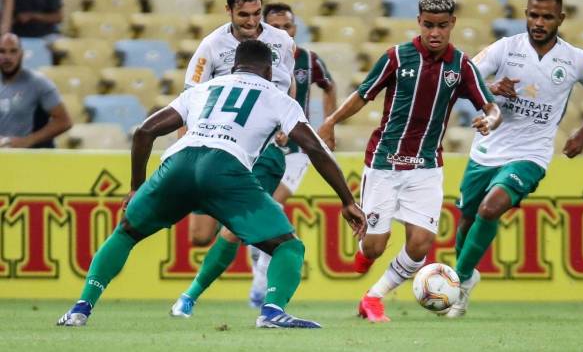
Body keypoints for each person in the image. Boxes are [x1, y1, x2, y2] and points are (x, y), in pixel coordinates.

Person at [56, 40, 367, 329]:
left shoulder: (203, 89)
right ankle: (272, 311)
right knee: (288, 246)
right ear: (269, 71)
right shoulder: (278, 98)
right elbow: (314, 148)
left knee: (126, 232)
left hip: (178, 164)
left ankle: (80, 309)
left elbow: (144, 132)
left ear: (234, 66)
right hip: (225, 169)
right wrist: (347, 200)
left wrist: (137, 186)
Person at [318, 0, 501, 323]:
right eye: (428, 25)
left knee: (420, 245)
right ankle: (366, 252)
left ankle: (373, 298)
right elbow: (363, 94)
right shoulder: (397, 57)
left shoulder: (461, 65)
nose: (435, 32)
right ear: (418, 21)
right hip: (385, 162)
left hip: (426, 166)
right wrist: (330, 121)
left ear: (452, 23)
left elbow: (490, 106)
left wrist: (489, 120)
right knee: (375, 246)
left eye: (442, 26)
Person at [443, 0, 583, 318]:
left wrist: (582, 133)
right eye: (534, 15)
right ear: (526, 14)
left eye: (547, 17)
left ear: (560, 18)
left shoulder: (576, 60)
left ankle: (455, 282)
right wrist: (491, 87)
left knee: (490, 209)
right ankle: (467, 277)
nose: (539, 23)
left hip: (531, 154)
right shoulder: (505, 49)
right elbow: (461, 79)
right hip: (487, 150)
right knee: (468, 220)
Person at [169, 0, 297, 317]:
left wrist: (286, 123)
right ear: (228, 10)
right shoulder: (210, 47)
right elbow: (188, 100)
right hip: (215, 147)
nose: (252, 22)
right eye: (244, 15)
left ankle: (189, 297)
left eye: (257, 14)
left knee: (233, 228)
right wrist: (185, 146)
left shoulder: (282, 42)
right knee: (200, 236)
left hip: (262, 151)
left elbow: (289, 83)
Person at [246, 2, 337, 306]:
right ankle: (260, 270)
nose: (283, 32)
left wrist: (328, 124)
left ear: (295, 29)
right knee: (257, 211)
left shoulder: (309, 60)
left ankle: (261, 280)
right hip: (261, 147)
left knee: (272, 205)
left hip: (297, 150)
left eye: (287, 26)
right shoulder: (255, 61)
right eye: (276, 27)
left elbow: (329, 86)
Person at [0, 33, 72, 148]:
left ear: (21, 54)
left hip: (30, 155)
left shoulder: (38, 83)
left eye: (13, 51)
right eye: (2, 51)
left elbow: (64, 121)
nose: (7, 57)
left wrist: (28, 140)